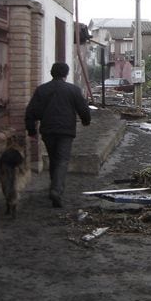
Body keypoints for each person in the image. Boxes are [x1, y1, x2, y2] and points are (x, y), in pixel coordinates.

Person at [25, 62, 91, 208]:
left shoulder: (42, 90)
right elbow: (83, 109)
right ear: (66, 74)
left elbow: (31, 111)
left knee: (54, 158)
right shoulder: (73, 90)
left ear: (51, 73)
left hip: (48, 130)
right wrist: (86, 121)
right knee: (62, 160)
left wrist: (31, 130)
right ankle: (56, 190)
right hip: (66, 131)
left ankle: (54, 186)